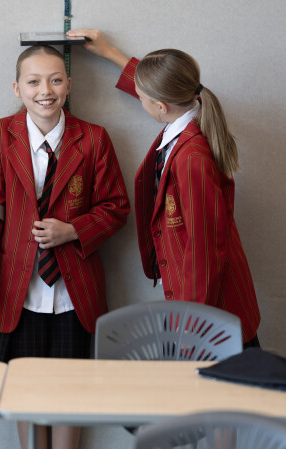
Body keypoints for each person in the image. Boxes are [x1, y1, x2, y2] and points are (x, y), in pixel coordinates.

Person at [0, 44, 130, 449]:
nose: (45, 91)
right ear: (17, 88)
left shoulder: (93, 139)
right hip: (17, 290)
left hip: (74, 291)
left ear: (69, 85)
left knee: (69, 394)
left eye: (55, 80)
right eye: (33, 81)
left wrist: (73, 230)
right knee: (25, 395)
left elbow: (116, 207)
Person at [67, 29, 260, 346]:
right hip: (200, 298)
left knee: (229, 376)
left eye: (141, 97)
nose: (138, 98)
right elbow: (156, 90)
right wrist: (109, 51)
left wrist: (191, 325)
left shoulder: (192, 159)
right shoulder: (185, 113)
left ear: (161, 106)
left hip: (211, 310)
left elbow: (205, 249)